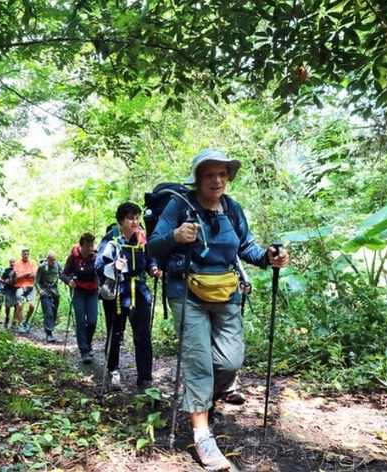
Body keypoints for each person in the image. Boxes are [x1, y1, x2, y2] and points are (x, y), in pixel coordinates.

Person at [146, 149, 290, 471]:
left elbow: (246, 248)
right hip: (187, 292)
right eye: (210, 174)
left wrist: (268, 257)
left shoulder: (233, 209)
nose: (217, 180)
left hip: (226, 292)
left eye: (222, 174)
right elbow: (153, 245)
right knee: (199, 364)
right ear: (198, 179)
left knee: (230, 361)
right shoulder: (179, 206)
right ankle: (202, 435)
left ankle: (208, 400)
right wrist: (174, 236)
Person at [95, 202, 161, 391]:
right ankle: (113, 369)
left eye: (137, 217)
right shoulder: (111, 240)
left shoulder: (142, 239)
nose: (135, 221)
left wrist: (154, 268)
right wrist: (113, 266)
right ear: (121, 220)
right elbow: (99, 265)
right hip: (117, 291)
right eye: (131, 218)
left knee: (143, 334)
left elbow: (150, 259)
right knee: (116, 333)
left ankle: (145, 378)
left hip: (139, 292)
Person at [60, 233, 99, 363]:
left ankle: (88, 343)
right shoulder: (73, 258)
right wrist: (69, 281)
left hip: (93, 291)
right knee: (81, 321)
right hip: (79, 292)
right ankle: (84, 351)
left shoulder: (96, 257)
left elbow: (102, 271)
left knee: (92, 321)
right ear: (81, 246)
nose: (90, 248)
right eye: (88, 245)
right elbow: (63, 274)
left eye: (92, 245)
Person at [35, 251, 62, 342]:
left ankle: (51, 329)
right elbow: (36, 282)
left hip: (55, 292)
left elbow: (62, 275)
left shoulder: (58, 265)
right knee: (48, 312)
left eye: (54, 260)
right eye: (51, 260)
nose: (53, 262)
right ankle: (49, 333)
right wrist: (40, 290)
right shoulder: (42, 267)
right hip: (45, 292)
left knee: (54, 311)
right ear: (47, 259)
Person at [12, 248, 37, 332]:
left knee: (32, 306)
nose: (26, 255)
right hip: (20, 286)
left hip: (31, 287)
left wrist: (23, 275)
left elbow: (34, 275)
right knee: (19, 305)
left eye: (27, 254)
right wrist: (27, 274)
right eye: (24, 254)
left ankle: (26, 321)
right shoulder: (17, 263)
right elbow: (17, 277)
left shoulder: (33, 263)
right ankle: (21, 324)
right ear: (21, 254)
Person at [0, 258, 16, 328]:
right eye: (11, 262)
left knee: (16, 305)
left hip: (16, 290)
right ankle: (7, 318)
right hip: (8, 289)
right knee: (7, 305)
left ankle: (14, 321)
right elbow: (1, 279)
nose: (12, 263)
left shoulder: (18, 270)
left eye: (13, 262)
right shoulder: (7, 270)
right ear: (9, 263)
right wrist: (5, 281)